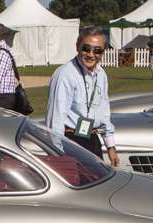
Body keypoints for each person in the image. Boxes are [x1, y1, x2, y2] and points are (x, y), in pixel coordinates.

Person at [46, 27, 120, 166]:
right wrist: (58, 157)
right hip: (71, 142)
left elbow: (104, 111)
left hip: (92, 139)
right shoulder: (64, 76)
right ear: (77, 46)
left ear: (103, 52)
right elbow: (55, 121)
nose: (91, 54)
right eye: (86, 48)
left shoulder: (101, 74)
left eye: (98, 50)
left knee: (98, 184)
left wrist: (111, 147)